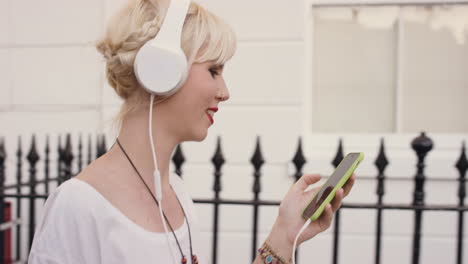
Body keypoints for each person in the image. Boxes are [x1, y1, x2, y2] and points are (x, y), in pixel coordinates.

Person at [28, 0, 355, 263]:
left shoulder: (178, 195)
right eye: (213, 70)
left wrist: (284, 235)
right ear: (161, 71)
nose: (224, 92)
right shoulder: (79, 206)